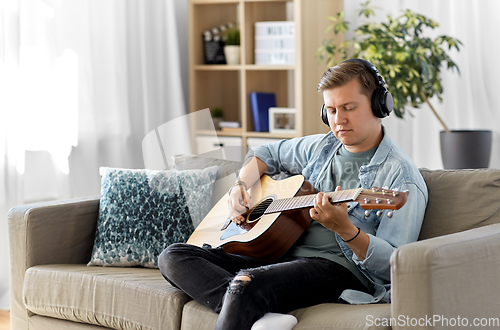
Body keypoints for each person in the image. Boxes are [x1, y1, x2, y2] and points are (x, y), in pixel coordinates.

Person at [158, 59, 428, 330]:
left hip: (338, 268)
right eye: (331, 110)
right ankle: (256, 310)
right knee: (174, 256)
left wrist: (346, 230)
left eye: (349, 108)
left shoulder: (400, 177)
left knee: (246, 284)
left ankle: (248, 300)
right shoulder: (322, 146)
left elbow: (394, 266)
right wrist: (240, 186)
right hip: (279, 253)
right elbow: (265, 154)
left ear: (379, 105)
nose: (338, 120)